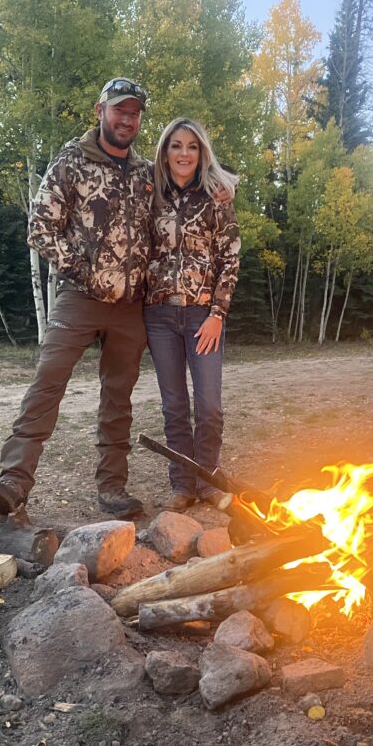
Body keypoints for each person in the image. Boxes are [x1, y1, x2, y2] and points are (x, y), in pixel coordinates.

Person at [0, 77, 155, 520]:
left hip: (131, 307)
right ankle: (13, 482)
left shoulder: (145, 173)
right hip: (79, 297)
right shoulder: (72, 160)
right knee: (48, 382)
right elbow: (39, 228)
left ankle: (113, 487)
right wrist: (84, 271)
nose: (126, 118)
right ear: (100, 110)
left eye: (134, 112)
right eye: (119, 109)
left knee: (119, 397)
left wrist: (218, 188)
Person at [144, 118, 241, 511]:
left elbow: (230, 258)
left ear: (202, 153)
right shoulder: (150, 195)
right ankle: (182, 484)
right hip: (159, 316)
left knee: (209, 404)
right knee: (174, 406)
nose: (184, 153)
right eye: (176, 145)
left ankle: (208, 480)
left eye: (192, 146)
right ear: (165, 151)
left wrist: (218, 313)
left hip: (203, 315)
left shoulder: (216, 197)